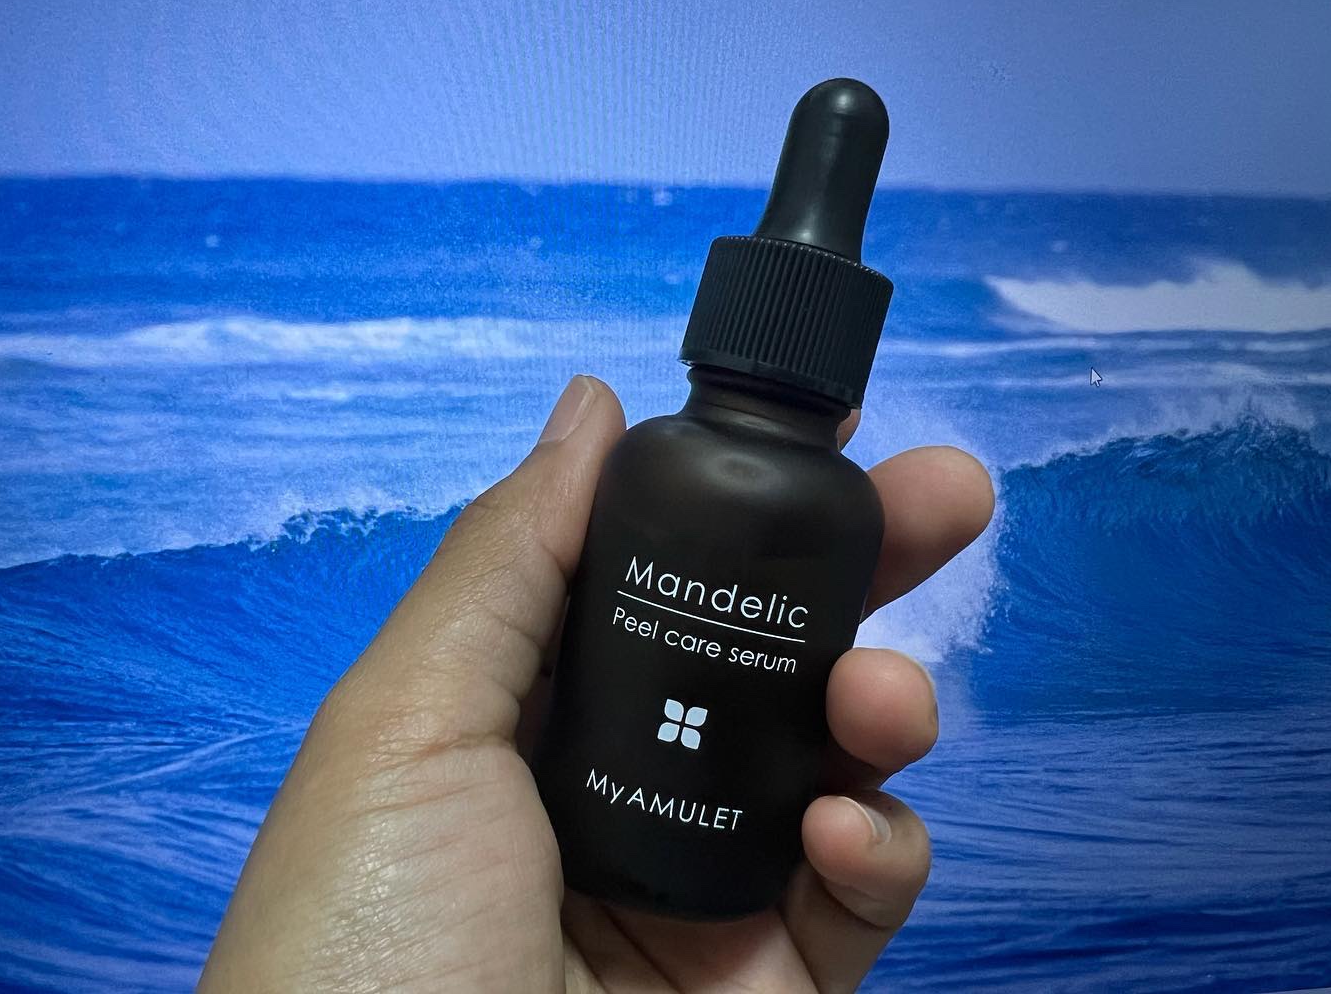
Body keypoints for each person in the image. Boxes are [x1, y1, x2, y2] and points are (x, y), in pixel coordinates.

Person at [200, 375, 994, 992]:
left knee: (875, 715)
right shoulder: (654, 460)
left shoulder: (816, 504)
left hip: (721, 903)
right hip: (540, 890)